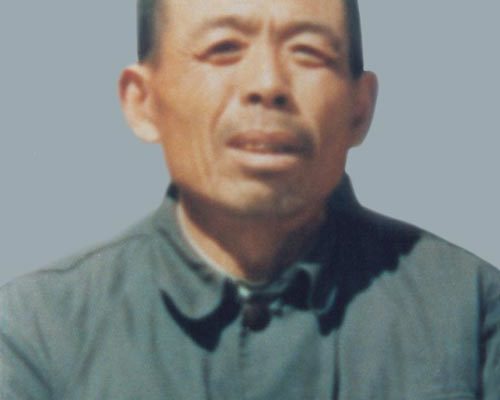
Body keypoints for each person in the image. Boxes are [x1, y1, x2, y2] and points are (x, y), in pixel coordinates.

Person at [1, 0, 499, 398]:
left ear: (360, 109)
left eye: (309, 52)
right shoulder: (40, 332)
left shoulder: (470, 310)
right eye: (223, 48)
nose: (268, 84)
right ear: (142, 101)